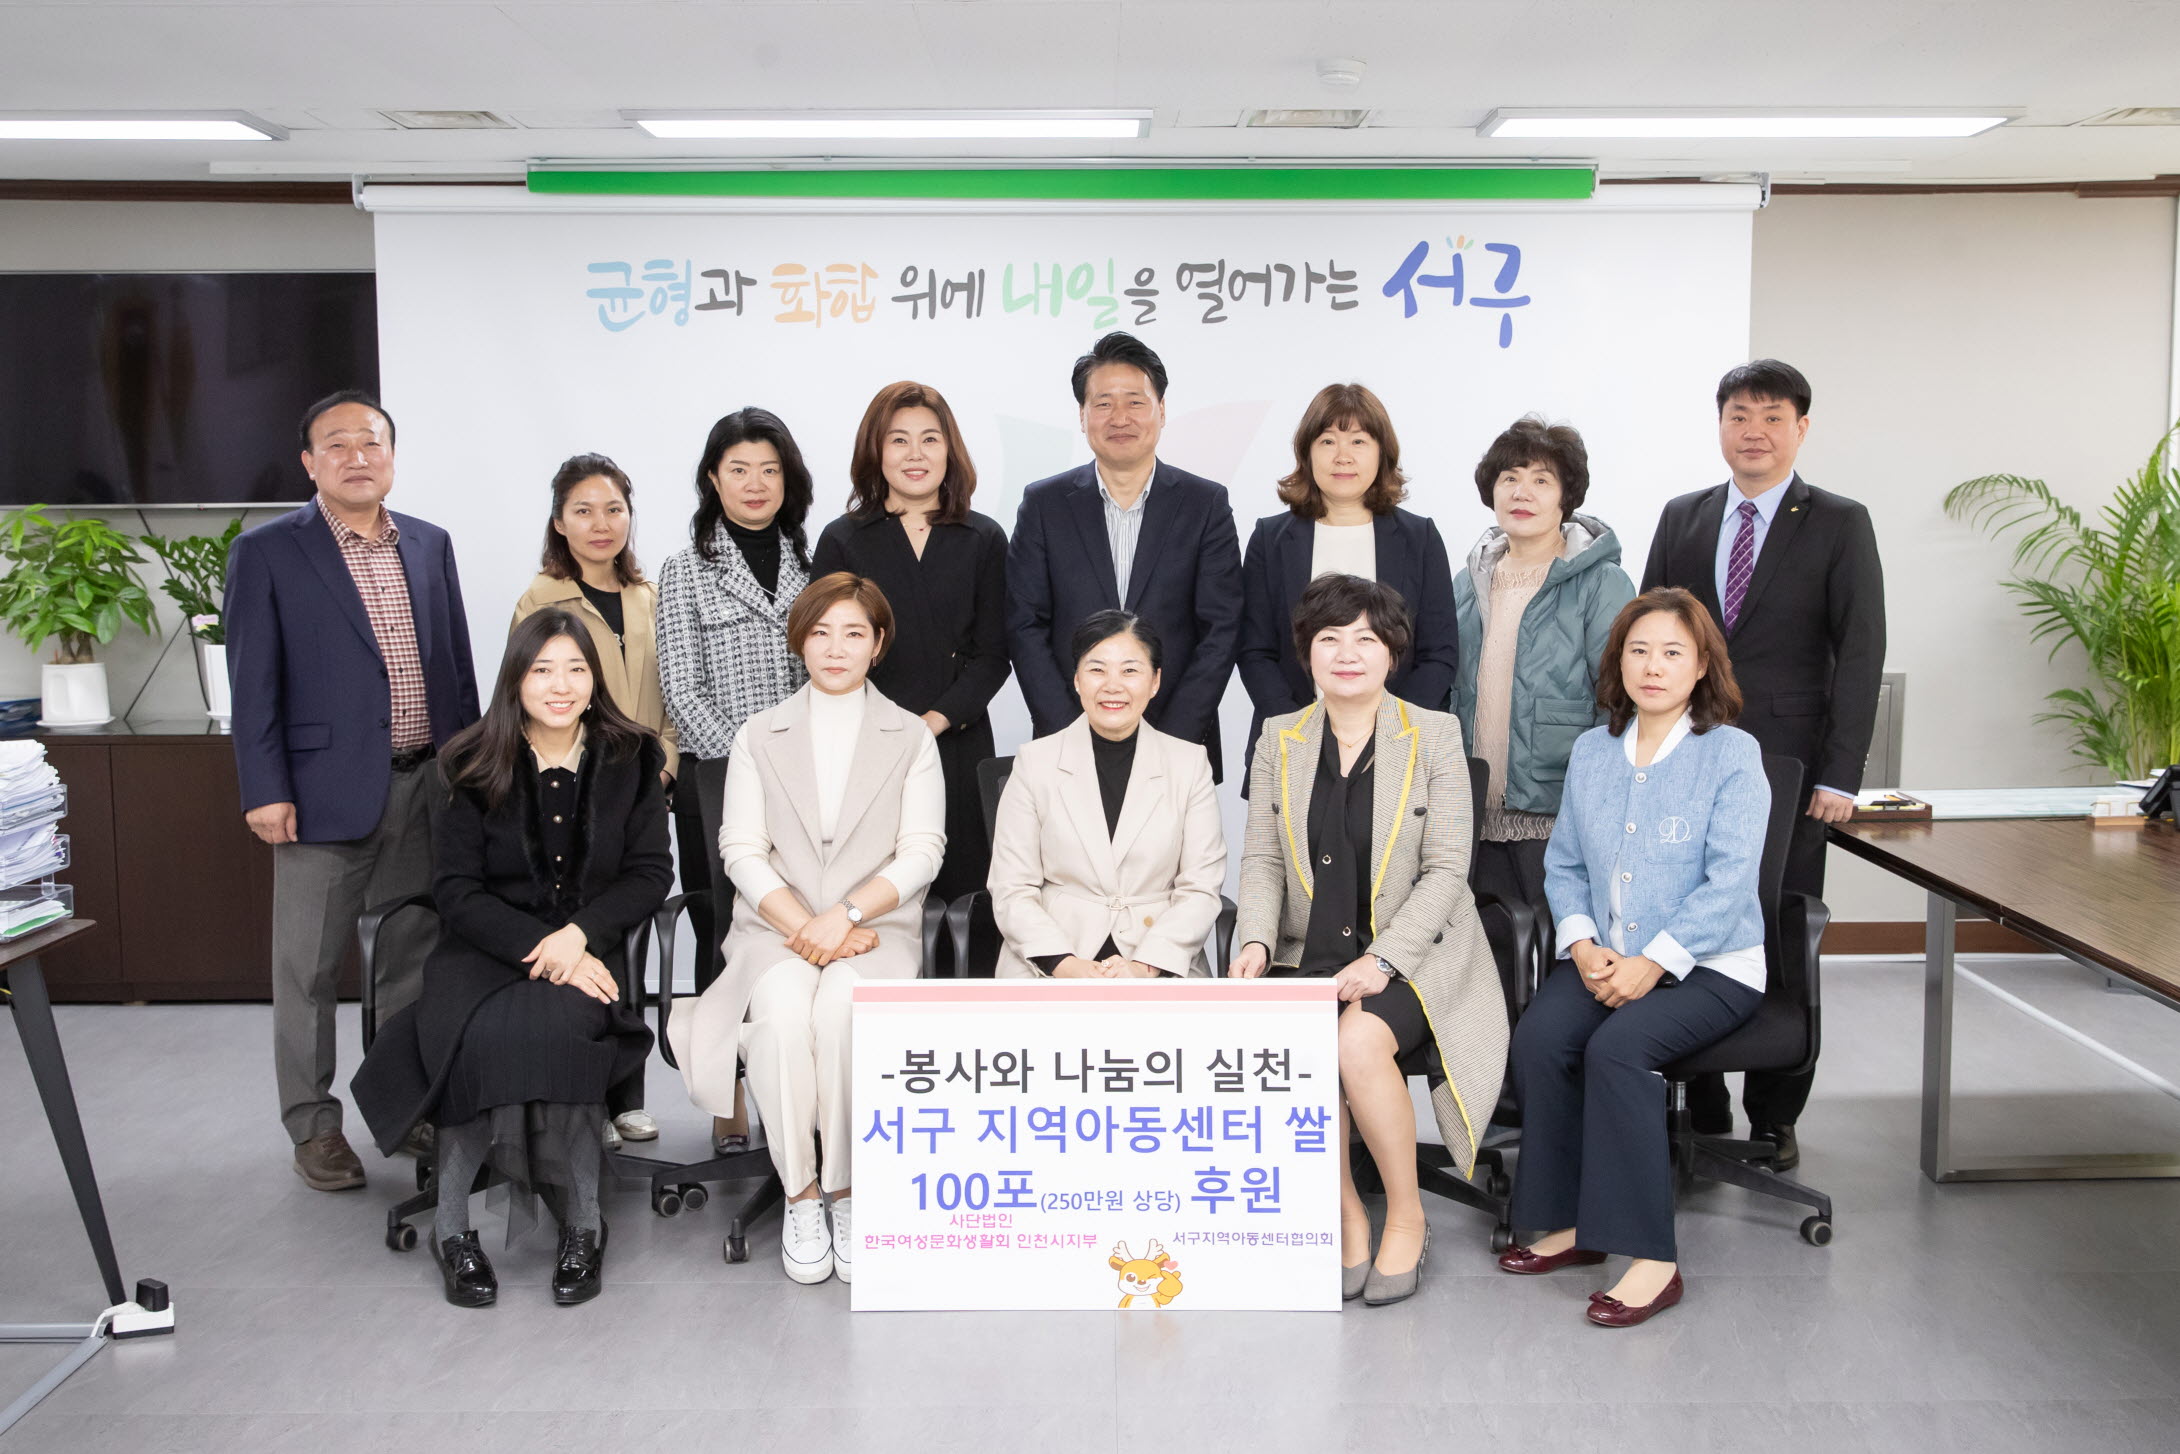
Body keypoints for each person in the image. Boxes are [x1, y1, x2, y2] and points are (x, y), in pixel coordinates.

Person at [352, 610, 671, 1308]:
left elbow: (650, 873)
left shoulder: (632, 757)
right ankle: (453, 1231)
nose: (561, 686)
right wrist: (544, 948)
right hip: (485, 951)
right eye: (542, 670)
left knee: (560, 1029)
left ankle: (583, 1224)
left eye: (576, 669)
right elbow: (456, 891)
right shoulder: (470, 761)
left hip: (587, 950)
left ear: (595, 679)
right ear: (516, 680)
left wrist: (577, 936)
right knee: (480, 1033)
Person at [1229, 574, 1508, 1308]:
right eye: (1329, 639)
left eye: (1365, 638)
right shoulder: (1279, 737)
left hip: (1417, 952)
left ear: (1392, 652)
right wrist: (1255, 940)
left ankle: (1407, 1217)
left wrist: (1383, 959)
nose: (1347, 654)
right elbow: (1261, 860)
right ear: (1307, 653)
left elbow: (1447, 870)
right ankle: (1347, 1212)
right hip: (1309, 950)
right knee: (1296, 1045)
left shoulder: (1434, 734)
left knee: (1354, 1042)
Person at [225, 389, 480, 1191]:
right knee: (306, 970)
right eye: (336, 444)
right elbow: (252, 684)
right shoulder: (268, 552)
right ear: (310, 463)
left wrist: (468, 773)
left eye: (371, 442)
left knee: (411, 962)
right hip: (317, 796)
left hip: (424, 785)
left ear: (392, 457)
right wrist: (264, 788)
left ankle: (401, 1109)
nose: (356, 456)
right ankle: (313, 1127)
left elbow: (456, 670)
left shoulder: (430, 544)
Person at [1498, 588, 1769, 1328]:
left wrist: (1655, 961)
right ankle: (1573, 1224)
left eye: (1673, 652)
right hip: (1607, 957)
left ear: (1702, 665)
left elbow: (1730, 883)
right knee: (1542, 1037)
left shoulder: (1731, 753)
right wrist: (1583, 943)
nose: (1653, 667)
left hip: (1712, 966)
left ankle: (1653, 1259)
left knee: (1617, 1049)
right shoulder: (1594, 752)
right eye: (1639, 651)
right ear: (1618, 662)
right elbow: (1564, 864)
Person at [667, 574, 945, 1286]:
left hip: (874, 931)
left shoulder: (911, 736)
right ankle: (802, 1194)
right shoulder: (758, 734)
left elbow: (922, 851)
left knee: (843, 1011)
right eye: (820, 632)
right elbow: (740, 851)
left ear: (877, 644)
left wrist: (843, 918)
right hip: (774, 931)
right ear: (799, 641)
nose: (835, 648)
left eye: (854, 633)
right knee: (786, 1017)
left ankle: (846, 1192)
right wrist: (808, 927)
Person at [1640, 360, 1884, 1166]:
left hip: (1791, 769)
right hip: (1688, 757)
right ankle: (1701, 1089)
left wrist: (1841, 773)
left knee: (1778, 924)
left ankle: (1776, 1114)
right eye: (1739, 415)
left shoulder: (1840, 522)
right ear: (1719, 425)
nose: (1754, 431)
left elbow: (1861, 652)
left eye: (1772, 417)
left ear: (1800, 429)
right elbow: (1649, 632)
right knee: (1685, 914)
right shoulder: (1683, 516)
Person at [656, 407, 814, 1155]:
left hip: (808, 785)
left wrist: (795, 768)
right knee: (722, 933)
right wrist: (751, 767)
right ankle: (728, 1095)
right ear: (712, 480)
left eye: (770, 470)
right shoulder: (685, 569)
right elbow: (681, 688)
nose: (756, 484)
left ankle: (799, 1091)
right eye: (739, 470)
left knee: (795, 932)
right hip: (716, 784)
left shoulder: (811, 563)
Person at [512, 453, 677, 1151]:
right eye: (583, 510)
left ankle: (626, 1096)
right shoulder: (542, 598)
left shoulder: (649, 596)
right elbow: (530, 696)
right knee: (584, 935)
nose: (600, 523)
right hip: (570, 792)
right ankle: (585, 1095)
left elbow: (672, 693)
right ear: (559, 522)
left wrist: (658, 769)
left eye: (613, 509)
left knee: (626, 934)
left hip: (644, 787)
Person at [1006, 331, 1244, 779]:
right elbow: (1024, 623)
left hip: (1176, 745)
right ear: (1082, 415)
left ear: (1162, 410)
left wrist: (1173, 739)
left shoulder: (1204, 504)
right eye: (1103, 403)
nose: (1120, 417)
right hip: (1066, 748)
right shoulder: (1044, 504)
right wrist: (1068, 731)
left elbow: (1221, 629)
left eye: (1135, 402)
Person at [813, 381, 1010, 905]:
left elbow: (995, 655)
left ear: (950, 449)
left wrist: (932, 723)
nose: (915, 454)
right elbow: (827, 650)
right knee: (871, 899)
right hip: (866, 745)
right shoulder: (842, 539)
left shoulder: (984, 537)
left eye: (930, 439)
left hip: (957, 742)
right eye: (899, 440)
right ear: (876, 451)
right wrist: (889, 730)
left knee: (965, 899)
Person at [1452, 416, 1635, 942]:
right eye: (1509, 477)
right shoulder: (1467, 581)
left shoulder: (1602, 582)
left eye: (1540, 479)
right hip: (1473, 804)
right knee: (1485, 949)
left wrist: (1596, 798)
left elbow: (1618, 698)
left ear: (1565, 496)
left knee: (1563, 944)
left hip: (1558, 806)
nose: (1521, 492)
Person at [988, 610, 1225, 979]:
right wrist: (1065, 965)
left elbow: (1201, 889)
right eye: (1097, 670)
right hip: (1051, 960)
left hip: (1158, 960)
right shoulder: (1035, 762)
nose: (1113, 686)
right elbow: (1011, 887)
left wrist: (1144, 967)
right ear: (1077, 679)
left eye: (1130, 671)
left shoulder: (1189, 765)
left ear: (1155, 681)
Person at [1238, 382, 1458, 775]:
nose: (1343, 456)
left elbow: (1439, 653)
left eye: (1358, 441)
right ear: (1306, 452)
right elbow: (1255, 651)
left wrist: (1390, 732)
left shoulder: (1419, 538)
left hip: (1398, 751)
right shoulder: (1271, 539)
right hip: (1291, 747)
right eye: (1327, 441)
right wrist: (1299, 730)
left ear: (1382, 452)